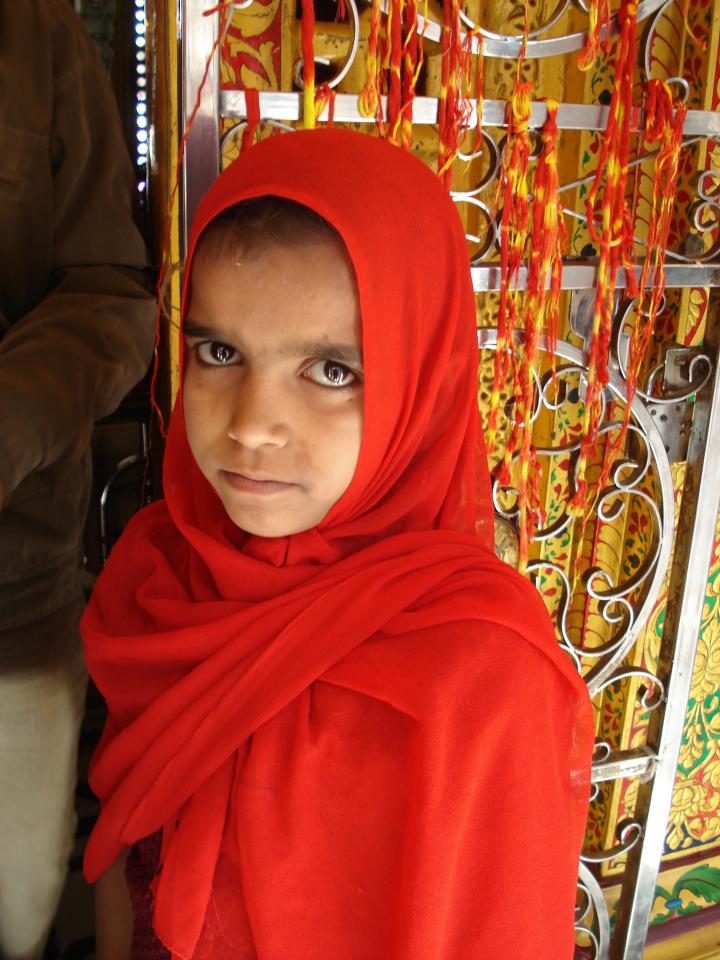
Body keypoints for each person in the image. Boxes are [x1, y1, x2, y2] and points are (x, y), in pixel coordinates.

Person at [82, 128, 593, 959]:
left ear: (419, 382)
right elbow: (124, 843)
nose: (250, 425)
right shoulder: (159, 574)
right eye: (219, 353)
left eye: (330, 371)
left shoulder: (479, 678)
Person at [0, 2, 156, 957]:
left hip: (11, 601)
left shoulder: (34, 35)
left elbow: (111, 296)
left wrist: (8, 423)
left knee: (14, 909)